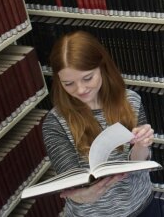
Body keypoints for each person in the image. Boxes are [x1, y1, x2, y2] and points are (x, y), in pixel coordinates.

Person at [42, 30, 156, 217]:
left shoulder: (132, 101)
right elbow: (72, 181)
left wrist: (142, 145)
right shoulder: (55, 123)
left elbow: (139, 163)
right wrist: (81, 196)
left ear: (103, 67)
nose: (80, 89)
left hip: (141, 205)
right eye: (68, 83)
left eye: (88, 78)